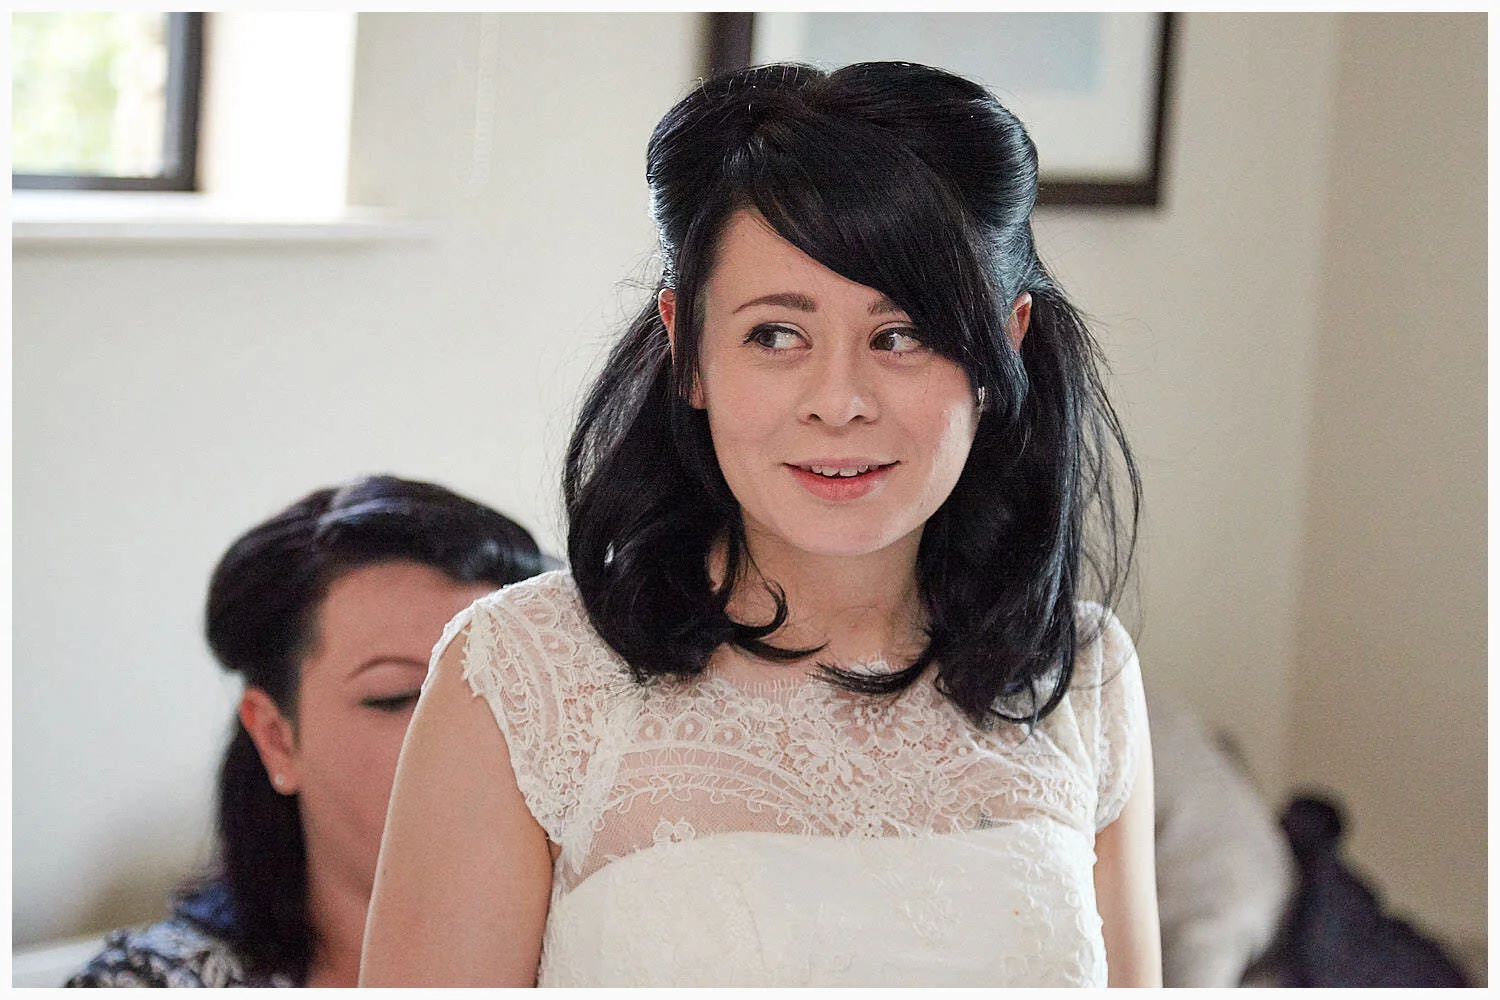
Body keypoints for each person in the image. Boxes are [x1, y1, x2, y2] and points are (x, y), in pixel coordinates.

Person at [363, 61, 1159, 987]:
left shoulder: (1083, 677)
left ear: (1004, 344)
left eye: (902, 335)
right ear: (687, 349)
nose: (838, 401)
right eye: (775, 335)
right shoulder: (520, 676)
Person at [66, 475, 544, 987]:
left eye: (508, 690)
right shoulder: (153, 982)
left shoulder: (590, 940)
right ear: (276, 737)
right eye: (395, 697)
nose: (476, 740)